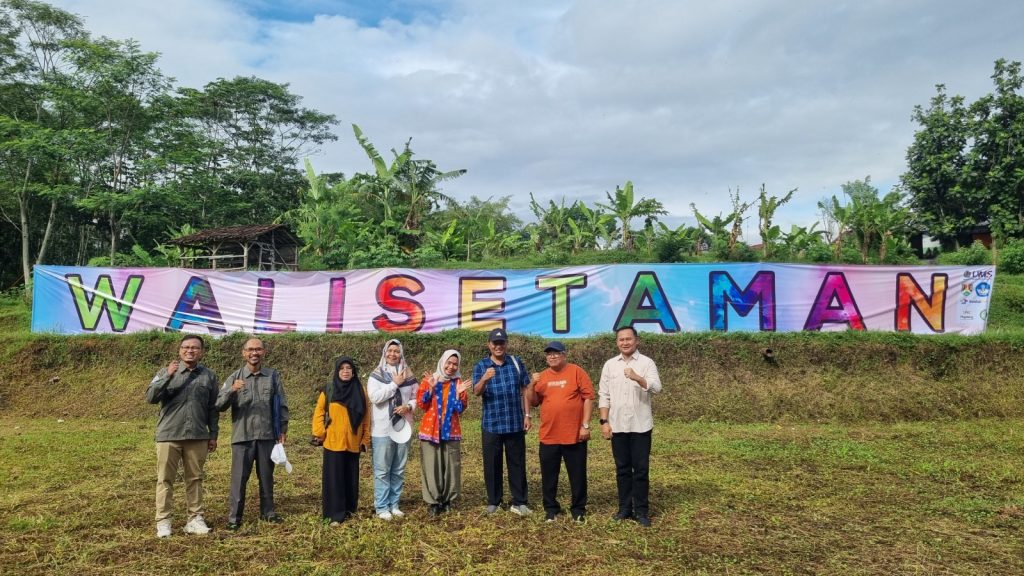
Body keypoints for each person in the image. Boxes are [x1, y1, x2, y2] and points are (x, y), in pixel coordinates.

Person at [145, 334, 220, 538]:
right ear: (180, 351)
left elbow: (213, 409)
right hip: (169, 434)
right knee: (165, 479)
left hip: (197, 435)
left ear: (201, 352)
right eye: (186, 347)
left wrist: (213, 434)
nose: (190, 350)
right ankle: (163, 521)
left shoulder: (209, 376)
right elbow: (151, 397)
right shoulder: (166, 371)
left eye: (195, 348)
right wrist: (167, 376)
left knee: (195, 479)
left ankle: (194, 519)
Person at [216, 337, 290, 530]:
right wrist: (232, 390)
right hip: (243, 437)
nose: (254, 353)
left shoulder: (273, 376)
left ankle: (268, 512)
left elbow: (281, 403)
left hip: (267, 436)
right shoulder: (235, 377)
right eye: (250, 350)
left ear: (263, 352)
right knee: (239, 479)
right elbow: (219, 405)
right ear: (243, 353)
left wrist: (282, 429)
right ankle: (234, 518)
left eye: (258, 349)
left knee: (266, 477)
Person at [598, 326, 662, 527]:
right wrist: (604, 421)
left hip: (641, 425)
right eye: (621, 339)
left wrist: (638, 377)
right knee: (622, 469)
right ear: (617, 342)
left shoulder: (646, 363)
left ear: (637, 341)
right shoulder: (610, 365)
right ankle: (625, 508)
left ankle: (641, 511)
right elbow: (604, 395)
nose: (625, 342)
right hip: (617, 426)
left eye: (628, 339)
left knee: (641, 470)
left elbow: (657, 388)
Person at [526, 341, 594, 522]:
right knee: (549, 476)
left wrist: (585, 425)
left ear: (564, 355)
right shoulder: (542, 376)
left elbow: (588, 398)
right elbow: (533, 402)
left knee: (577, 474)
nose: (552, 356)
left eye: (556, 353)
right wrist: (532, 385)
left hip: (574, 435)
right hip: (549, 435)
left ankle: (578, 509)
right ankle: (551, 509)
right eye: (549, 354)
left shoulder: (576, 372)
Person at [472, 327, 532, 515]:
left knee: (517, 463)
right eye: (495, 343)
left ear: (506, 344)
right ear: (489, 345)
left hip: (514, 422)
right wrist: (484, 379)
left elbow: (525, 389)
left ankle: (519, 501)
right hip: (492, 424)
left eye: (502, 343)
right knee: (492, 464)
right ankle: (494, 501)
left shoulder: (516, 362)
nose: (498, 346)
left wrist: (527, 415)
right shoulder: (481, 366)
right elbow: (476, 392)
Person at [312, 356, 371, 525]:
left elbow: (366, 417)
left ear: (353, 372)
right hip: (333, 441)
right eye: (342, 368)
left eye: (349, 368)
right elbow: (319, 412)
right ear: (337, 371)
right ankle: (334, 515)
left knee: (351, 478)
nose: (345, 371)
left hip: (353, 442)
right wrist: (320, 432)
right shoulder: (329, 389)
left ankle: (349, 511)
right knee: (334, 479)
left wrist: (365, 439)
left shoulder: (361, 391)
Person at [366, 339, 418, 520]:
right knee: (382, 469)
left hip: (403, 427)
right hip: (382, 429)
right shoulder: (376, 375)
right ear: (384, 353)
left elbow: (416, 397)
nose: (393, 354)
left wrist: (408, 406)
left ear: (401, 353)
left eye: (397, 351)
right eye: (390, 351)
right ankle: (381, 506)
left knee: (398, 468)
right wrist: (394, 384)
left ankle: (394, 504)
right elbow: (374, 397)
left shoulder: (409, 374)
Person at [416, 349, 471, 516]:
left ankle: (447, 500)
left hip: (451, 431)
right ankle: (433, 501)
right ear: (442, 362)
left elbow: (459, 409)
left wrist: (458, 394)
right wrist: (431, 389)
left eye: (455, 364)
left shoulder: (458, 383)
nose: (451, 366)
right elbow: (422, 404)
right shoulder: (430, 380)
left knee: (451, 466)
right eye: (449, 362)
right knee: (431, 466)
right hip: (430, 430)